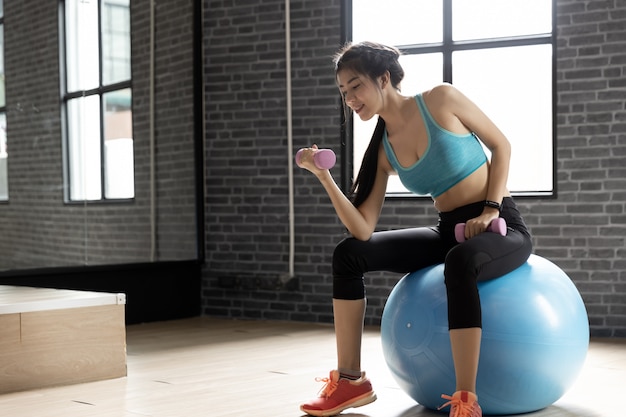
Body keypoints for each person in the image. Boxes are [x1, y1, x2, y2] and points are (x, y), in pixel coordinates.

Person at [296, 41, 533, 417]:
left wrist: (490, 209)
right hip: (448, 231)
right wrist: (324, 177)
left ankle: (466, 400)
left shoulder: (441, 99)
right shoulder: (382, 150)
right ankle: (350, 381)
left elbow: (501, 146)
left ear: (383, 78)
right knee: (348, 255)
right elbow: (362, 229)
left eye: (355, 86)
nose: (350, 98)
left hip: (502, 225)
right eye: (343, 92)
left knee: (459, 262)